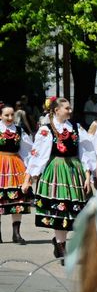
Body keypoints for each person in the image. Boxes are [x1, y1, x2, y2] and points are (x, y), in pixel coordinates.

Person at [24, 98, 97, 258]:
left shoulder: (77, 128)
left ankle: (60, 244)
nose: (70, 111)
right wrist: (28, 178)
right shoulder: (47, 129)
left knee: (72, 210)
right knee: (60, 209)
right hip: (56, 171)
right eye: (67, 108)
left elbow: (86, 152)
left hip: (74, 172)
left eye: (70, 108)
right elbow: (38, 155)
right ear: (56, 110)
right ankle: (61, 245)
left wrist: (87, 176)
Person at [0, 104, 33, 244]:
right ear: (0, 116)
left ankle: (16, 234)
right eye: (6, 115)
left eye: (12, 114)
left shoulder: (19, 130)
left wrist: (30, 170)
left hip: (15, 165)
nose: (10, 117)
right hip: (0, 163)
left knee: (17, 199)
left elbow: (28, 150)